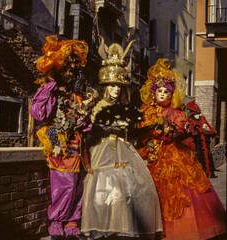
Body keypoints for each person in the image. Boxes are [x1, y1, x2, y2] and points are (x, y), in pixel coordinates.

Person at [80, 41, 163, 239]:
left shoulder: (125, 107)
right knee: (105, 189)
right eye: (112, 86)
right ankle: (103, 226)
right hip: (103, 151)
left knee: (138, 188)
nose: (116, 90)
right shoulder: (98, 106)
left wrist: (151, 128)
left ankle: (125, 226)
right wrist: (107, 128)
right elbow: (90, 131)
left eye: (119, 86)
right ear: (106, 87)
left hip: (125, 150)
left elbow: (133, 133)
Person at [136, 59, 226, 240]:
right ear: (154, 93)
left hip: (172, 154)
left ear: (171, 95)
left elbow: (178, 134)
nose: (162, 95)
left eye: (166, 92)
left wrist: (169, 132)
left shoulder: (175, 113)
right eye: (159, 91)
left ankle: (179, 230)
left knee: (178, 190)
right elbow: (139, 130)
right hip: (149, 154)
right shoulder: (146, 111)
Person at [29, 35, 93, 239]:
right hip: (59, 144)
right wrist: (50, 90)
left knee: (78, 185)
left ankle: (73, 222)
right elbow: (38, 114)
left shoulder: (77, 94)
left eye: (72, 69)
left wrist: (85, 123)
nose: (70, 72)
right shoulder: (50, 90)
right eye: (66, 69)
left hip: (78, 147)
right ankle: (57, 222)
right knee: (63, 184)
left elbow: (85, 118)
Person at [184, 100, 219, 178]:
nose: (198, 115)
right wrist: (193, 129)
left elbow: (212, 132)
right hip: (195, 145)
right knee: (198, 159)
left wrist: (206, 129)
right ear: (192, 114)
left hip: (205, 144)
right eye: (196, 114)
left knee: (207, 158)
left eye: (199, 113)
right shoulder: (189, 121)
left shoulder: (203, 119)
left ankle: (208, 173)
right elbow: (189, 133)